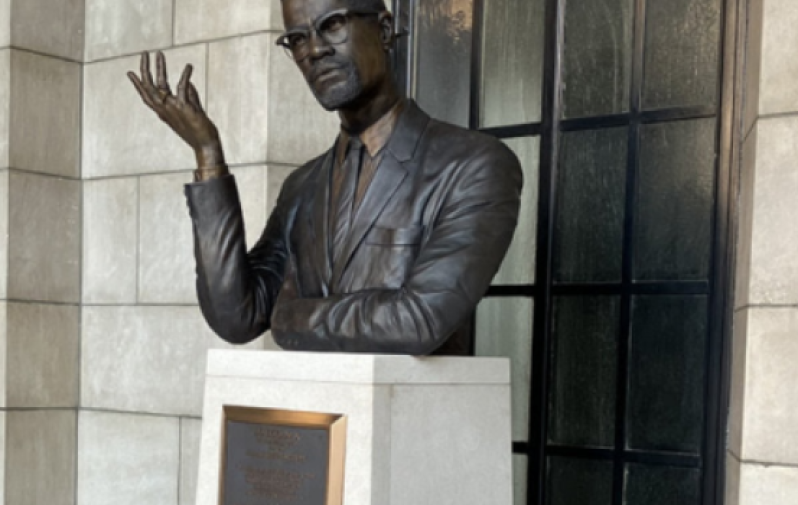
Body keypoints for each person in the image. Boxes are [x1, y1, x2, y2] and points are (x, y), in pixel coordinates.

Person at [127, 0, 522, 355]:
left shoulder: (474, 166)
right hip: (314, 421)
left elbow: (418, 320)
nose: (314, 51)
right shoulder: (302, 189)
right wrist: (209, 156)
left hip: (411, 425)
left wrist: (289, 319)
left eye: (332, 24)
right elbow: (238, 316)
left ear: (384, 31)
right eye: (297, 40)